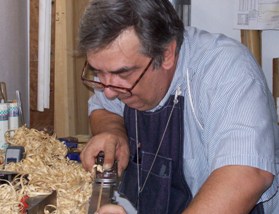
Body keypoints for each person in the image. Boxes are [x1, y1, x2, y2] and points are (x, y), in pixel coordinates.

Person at [78, 0, 279, 213]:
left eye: (122, 74)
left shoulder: (226, 71)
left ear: (167, 55)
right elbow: (103, 107)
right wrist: (111, 131)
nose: (108, 91)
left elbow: (245, 175)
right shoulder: (116, 71)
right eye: (98, 72)